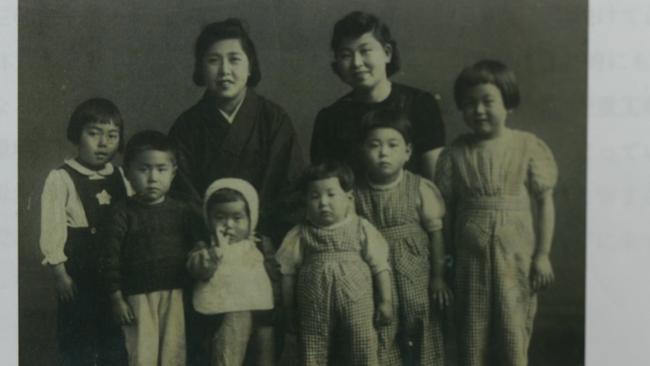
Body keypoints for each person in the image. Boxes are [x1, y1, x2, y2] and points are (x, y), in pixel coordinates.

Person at [435, 60, 558, 366]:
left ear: (508, 103)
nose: (478, 111)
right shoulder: (454, 154)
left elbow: (544, 203)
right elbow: (446, 212)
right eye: (469, 104)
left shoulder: (527, 146)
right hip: (468, 258)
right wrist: (447, 256)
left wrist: (542, 254)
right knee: (471, 331)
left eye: (487, 101)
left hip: (515, 255)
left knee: (513, 326)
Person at [168, 18, 305, 244]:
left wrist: (257, 235)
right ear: (201, 67)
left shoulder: (273, 119)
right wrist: (211, 236)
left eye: (234, 59)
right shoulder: (186, 126)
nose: (224, 71)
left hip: (265, 241)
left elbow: (290, 190)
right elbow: (182, 197)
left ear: (250, 66)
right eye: (213, 60)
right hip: (207, 243)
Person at [354, 109, 451, 366]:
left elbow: (436, 236)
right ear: (362, 151)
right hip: (375, 274)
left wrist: (438, 278)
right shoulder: (355, 193)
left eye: (392, 145)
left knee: (420, 319)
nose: (383, 152)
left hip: (415, 270)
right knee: (383, 325)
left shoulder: (419, 187)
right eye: (374, 146)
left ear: (407, 152)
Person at [100, 130, 205, 366]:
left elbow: (198, 245)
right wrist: (116, 298)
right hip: (137, 296)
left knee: (174, 352)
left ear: (174, 172)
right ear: (127, 172)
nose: (153, 178)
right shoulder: (121, 213)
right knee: (141, 353)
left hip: (175, 293)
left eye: (161, 169)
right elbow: (110, 259)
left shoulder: (183, 211)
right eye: (144, 169)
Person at [276, 161, 393, 366]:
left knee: (362, 342)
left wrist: (386, 301)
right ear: (305, 202)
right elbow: (288, 272)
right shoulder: (300, 234)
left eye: (331, 195)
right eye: (314, 196)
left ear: (349, 198)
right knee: (313, 346)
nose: (323, 202)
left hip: (357, 300)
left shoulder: (361, 228)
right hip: (313, 303)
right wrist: (288, 308)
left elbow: (380, 266)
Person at [39, 97, 129, 365]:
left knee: (114, 337)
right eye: (94, 134)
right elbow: (52, 227)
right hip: (79, 273)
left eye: (112, 136)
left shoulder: (121, 177)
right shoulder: (61, 177)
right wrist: (59, 273)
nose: (103, 143)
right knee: (78, 337)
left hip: (115, 272)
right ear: (77, 134)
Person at [311, 10, 445, 180]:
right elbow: (324, 187)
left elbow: (436, 182)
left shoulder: (420, 104)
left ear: (387, 53)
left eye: (365, 51)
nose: (357, 63)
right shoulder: (329, 119)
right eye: (346, 55)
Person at [186, 178, 280, 366]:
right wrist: (215, 253)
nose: (229, 225)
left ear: (251, 218)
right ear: (208, 218)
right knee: (226, 352)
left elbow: (273, 274)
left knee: (264, 356)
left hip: (261, 314)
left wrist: (276, 302)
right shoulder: (205, 247)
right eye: (219, 217)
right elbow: (198, 271)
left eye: (237, 218)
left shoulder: (260, 245)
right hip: (221, 314)